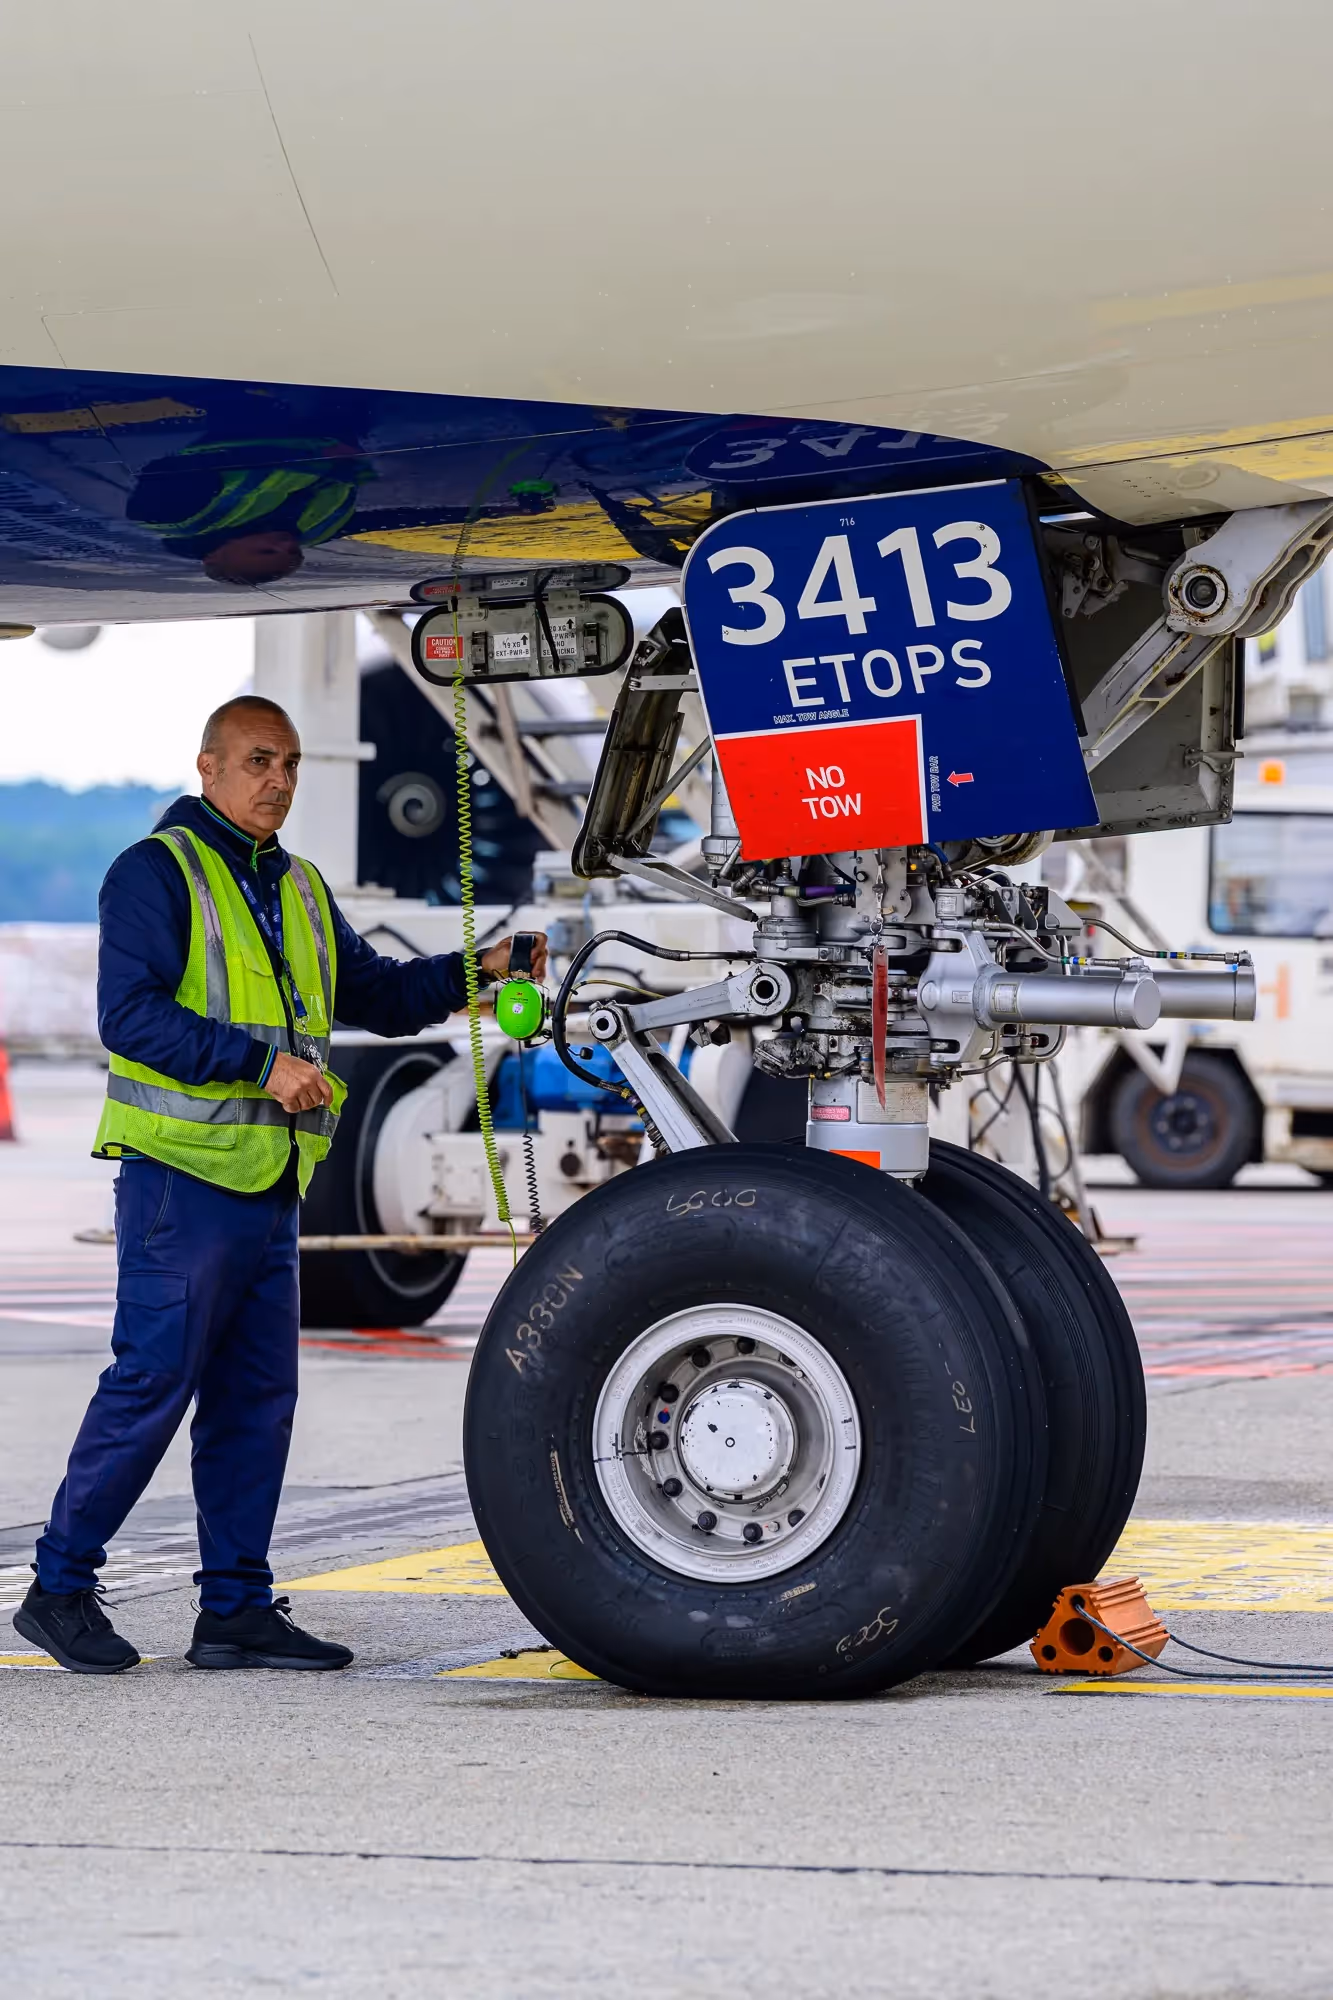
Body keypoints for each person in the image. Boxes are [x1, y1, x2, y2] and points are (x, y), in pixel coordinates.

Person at [13, 694, 545, 1675]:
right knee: (152, 1382)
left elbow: (373, 992)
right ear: (209, 767)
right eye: (259, 760)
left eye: (291, 763)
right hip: (182, 1179)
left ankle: (235, 1610)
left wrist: (475, 970)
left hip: (269, 1181)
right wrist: (262, 1066)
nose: (280, 780)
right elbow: (129, 1016)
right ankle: (57, 1586)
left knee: (257, 1401)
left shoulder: (295, 885)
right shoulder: (155, 871)